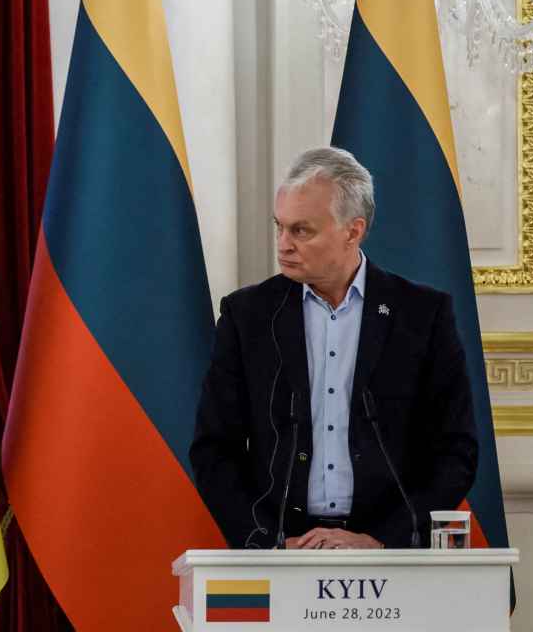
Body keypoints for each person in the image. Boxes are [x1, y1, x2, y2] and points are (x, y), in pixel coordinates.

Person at [191, 147, 477, 551]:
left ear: (352, 230)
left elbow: (455, 450)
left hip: (389, 556)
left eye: (301, 230)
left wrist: (383, 539)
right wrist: (271, 542)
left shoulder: (422, 315)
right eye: (280, 227)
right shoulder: (247, 315)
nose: (283, 245)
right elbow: (214, 449)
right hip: (283, 553)